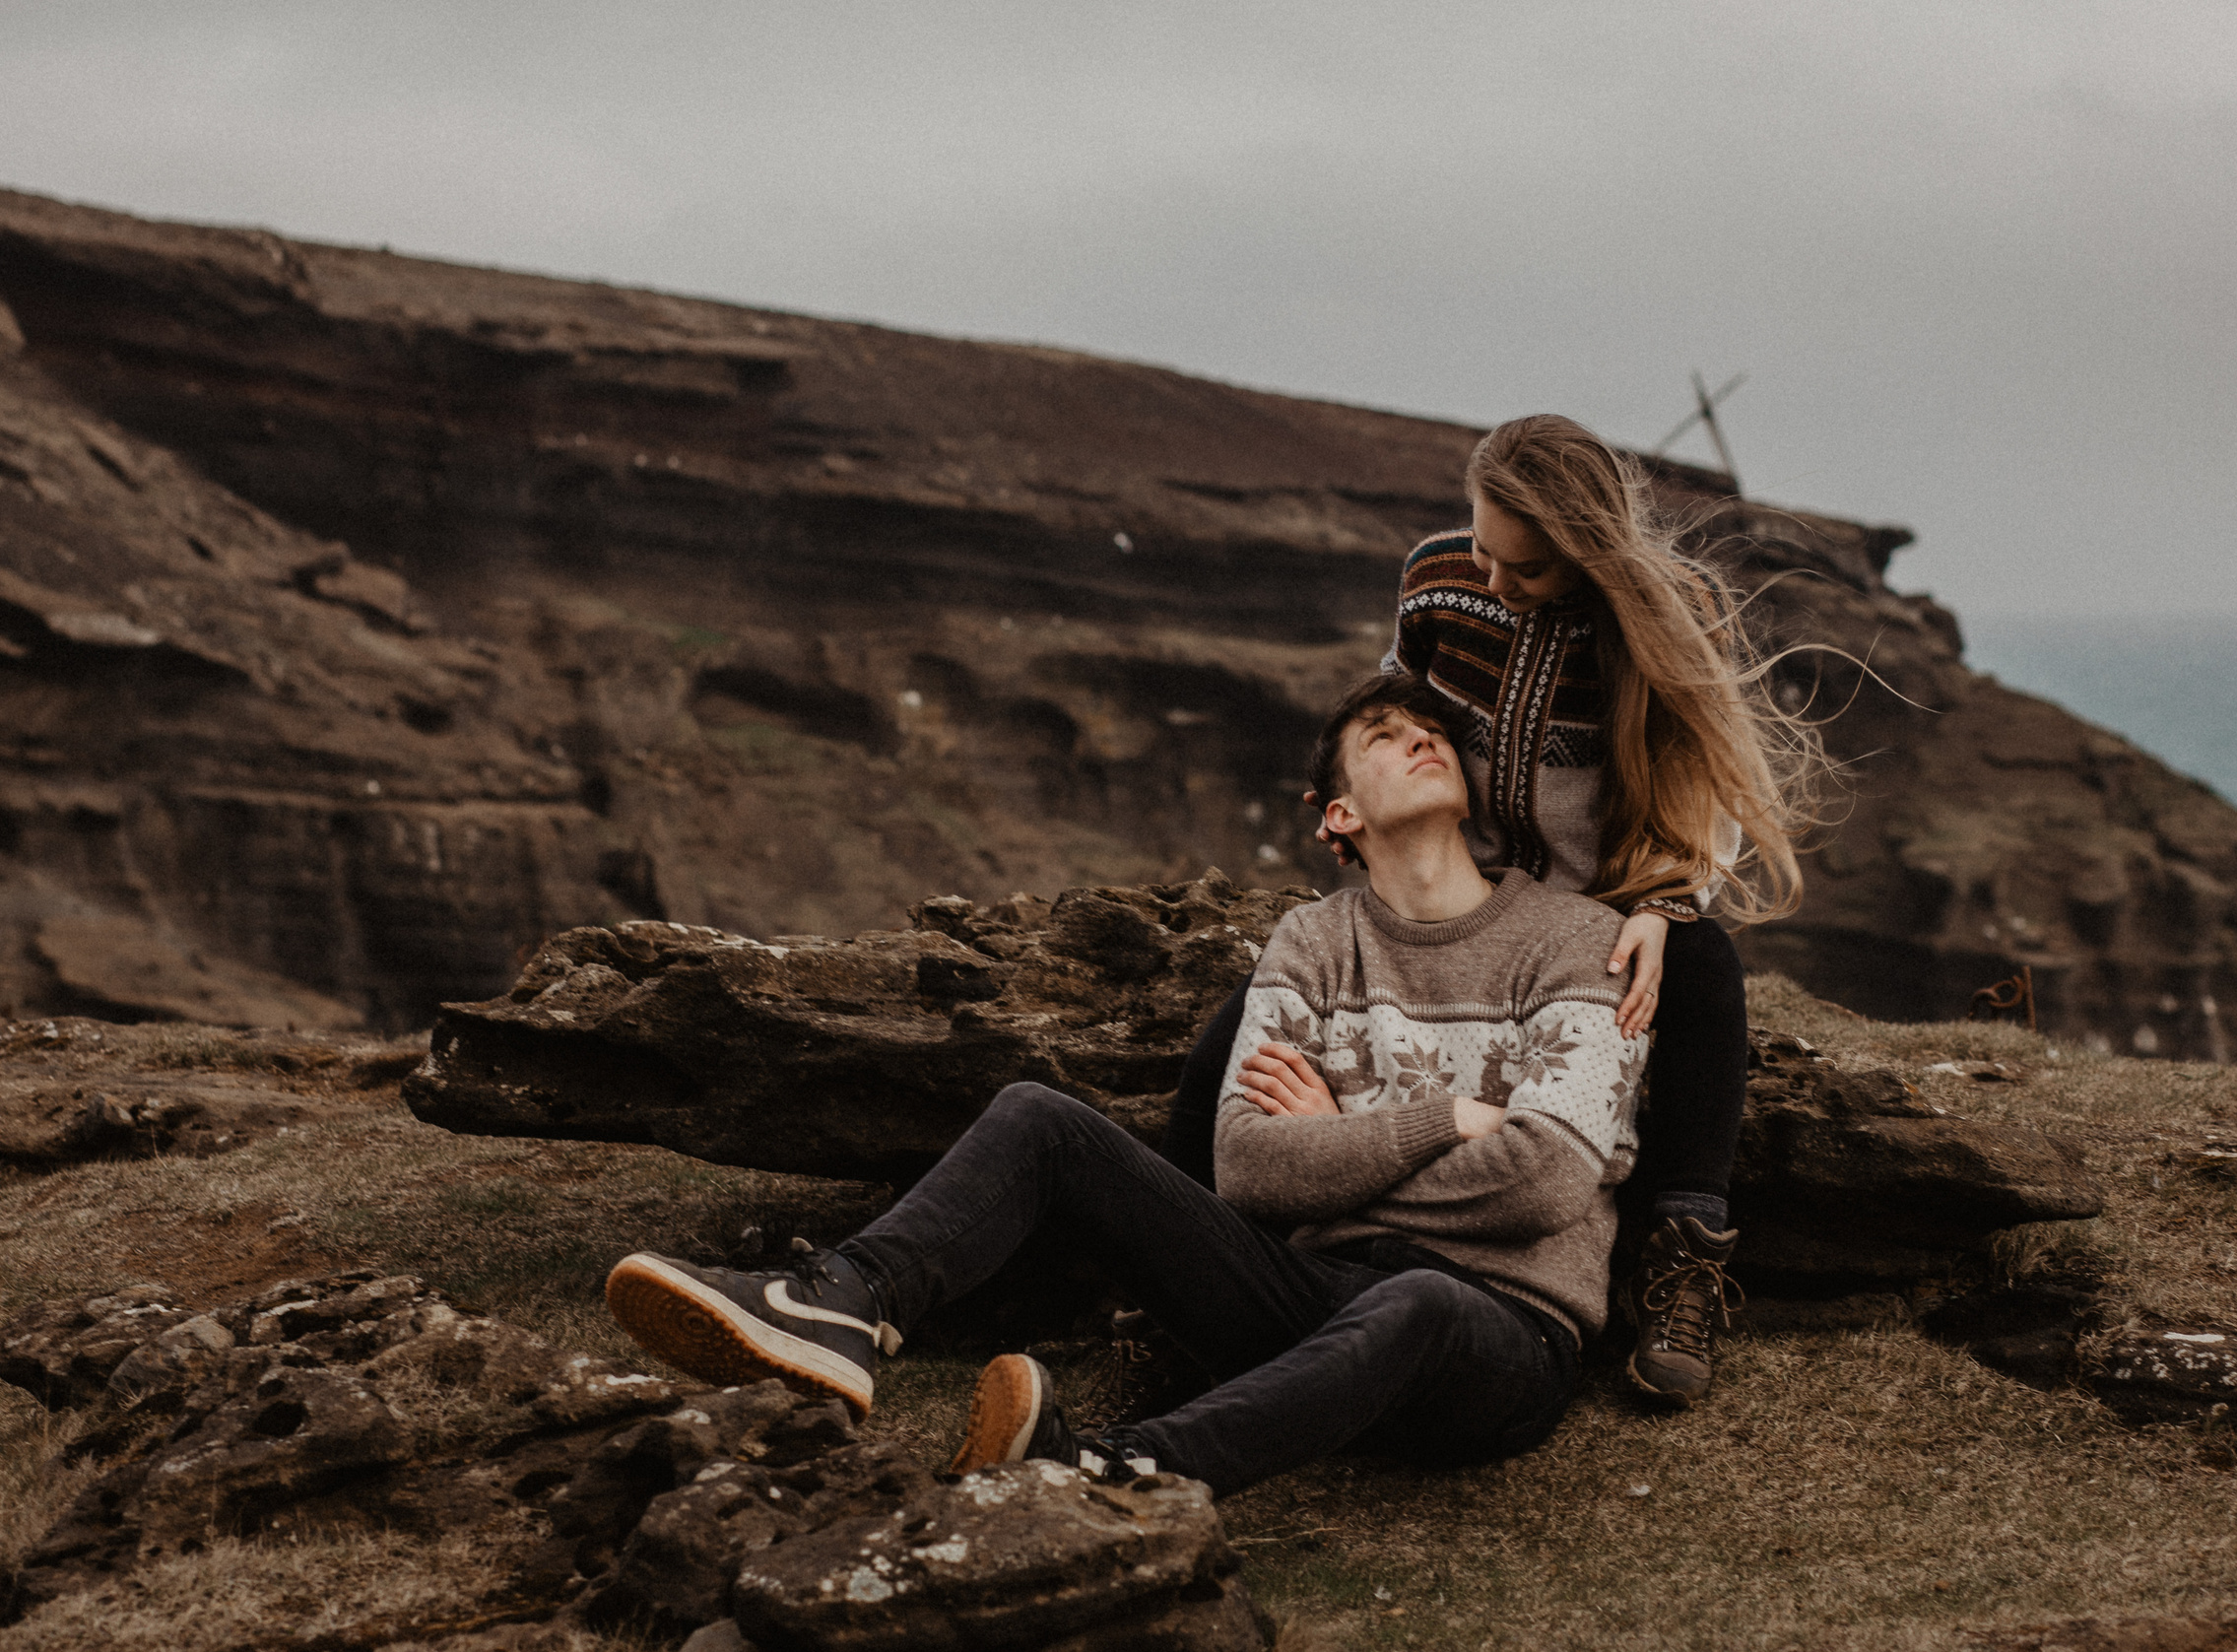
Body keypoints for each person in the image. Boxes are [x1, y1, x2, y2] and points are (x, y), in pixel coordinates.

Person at [602, 673, 1647, 1496]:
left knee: (1421, 1296)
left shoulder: (1571, 940)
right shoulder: (1311, 943)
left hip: (1499, 1336)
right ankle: (841, 1302)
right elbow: (1246, 1168)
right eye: (1382, 734)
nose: (1419, 738)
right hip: (1309, 1301)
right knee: (1039, 1120)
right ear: (1335, 815)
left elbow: (1551, 1182)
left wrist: (1341, 1148)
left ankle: (1111, 1467)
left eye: (1429, 730)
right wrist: (1452, 1119)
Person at [1159, 414, 1814, 1408]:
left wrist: (1668, 904)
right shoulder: (1437, 578)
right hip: (1463, 885)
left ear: (1591, 555)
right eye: (1483, 546)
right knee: (1230, 1040)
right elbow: (1399, 696)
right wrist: (1350, 793)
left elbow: (1710, 775)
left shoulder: (1672, 611)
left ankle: (1682, 1261)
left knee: (1704, 976)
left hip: (1594, 905)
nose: (1496, 581)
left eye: (1530, 569)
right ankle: (1158, 1298)